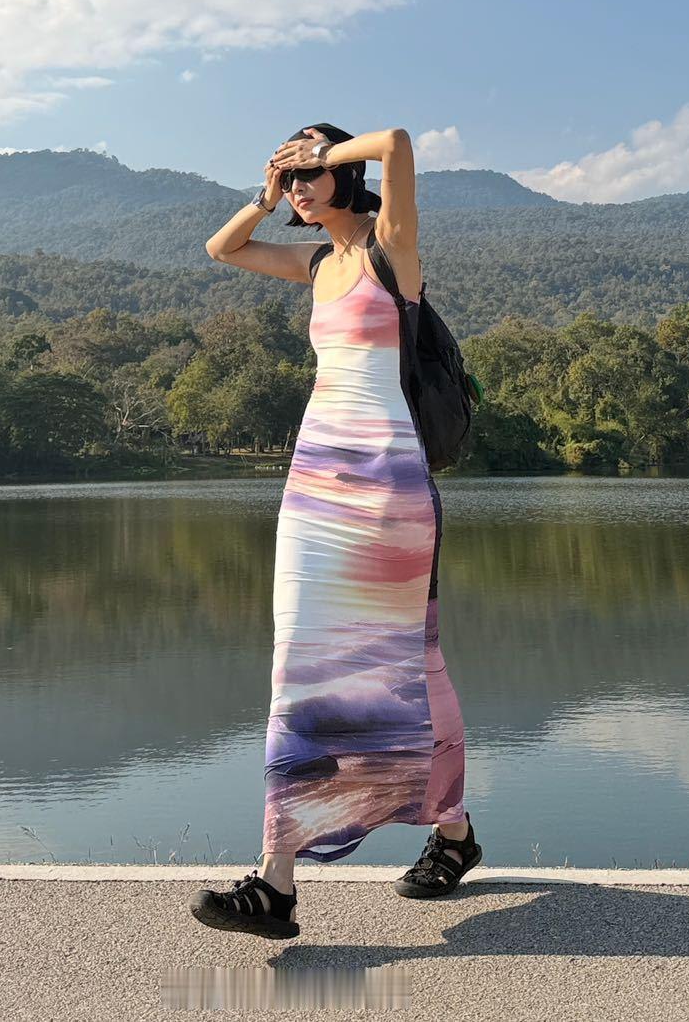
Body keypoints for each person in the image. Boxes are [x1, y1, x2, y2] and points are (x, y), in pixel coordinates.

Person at [190, 123, 479, 940]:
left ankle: (453, 830)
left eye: (308, 168)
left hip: (390, 482)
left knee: (413, 666)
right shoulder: (316, 264)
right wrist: (266, 191)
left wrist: (326, 154)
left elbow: (398, 143)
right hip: (315, 483)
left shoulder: (393, 249)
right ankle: (279, 879)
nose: (299, 184)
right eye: (289, 176)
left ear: (341, 171)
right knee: (300, 664)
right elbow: (222, 249)